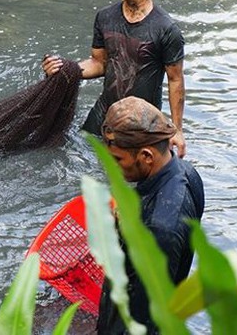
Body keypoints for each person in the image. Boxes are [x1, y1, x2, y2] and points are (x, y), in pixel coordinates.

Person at [42, 0, 187, 157]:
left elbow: (175, 80)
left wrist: (177, 130)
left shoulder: (166, 29)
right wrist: (66, 69)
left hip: (142, 122)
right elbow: (99, 63)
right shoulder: (105, 17)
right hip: (103, 114)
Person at [96, 96, 204, 334]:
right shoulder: (188, 173)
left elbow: (143, 319)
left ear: (146, 156)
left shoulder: (160, 229)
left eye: (117, 159)